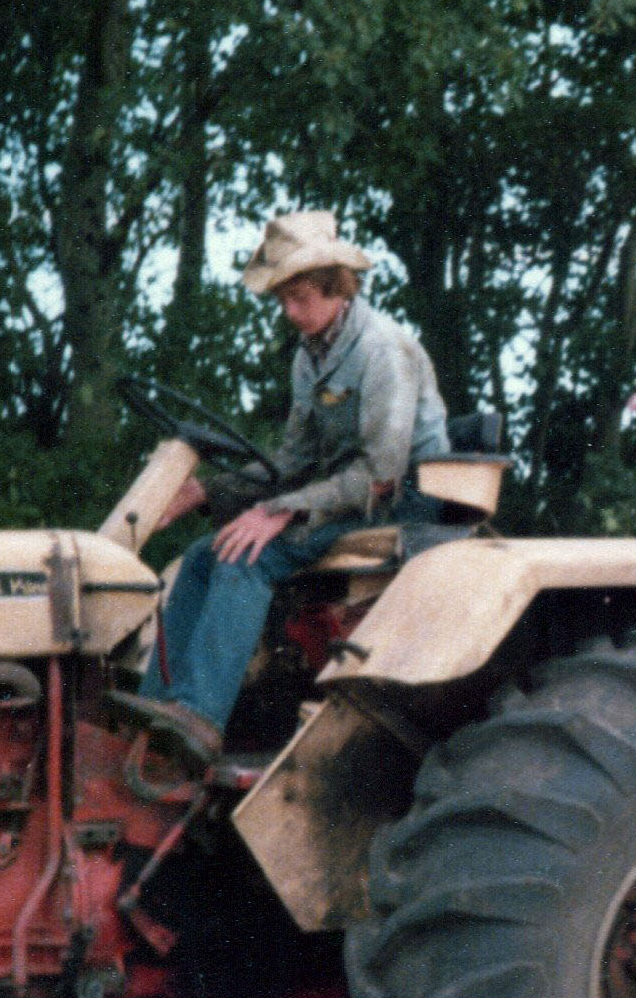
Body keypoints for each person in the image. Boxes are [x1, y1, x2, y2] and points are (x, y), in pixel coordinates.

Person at [122, 210, 448, 761]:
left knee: (247, 557)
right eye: (282, 300)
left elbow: (381, 476)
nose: (289, 313)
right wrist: (209, 493)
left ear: (335, 287)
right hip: (349, 493)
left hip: (406, 499)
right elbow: (294, 458)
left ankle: (199, 718)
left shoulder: (382, 351)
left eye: (298, 298)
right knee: (206, 554)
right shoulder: (310, 356)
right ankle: (157, 707)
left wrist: (279, 512)